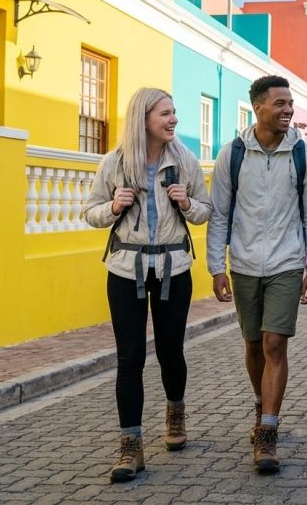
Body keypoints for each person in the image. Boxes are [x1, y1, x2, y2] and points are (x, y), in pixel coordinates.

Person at [81, 87, 212, 482]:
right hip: (126, 269)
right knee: (129, 359)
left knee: (171, 353)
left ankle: (175, 414)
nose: (173, 120)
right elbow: (90, 213)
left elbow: (205, 211)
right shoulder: (115, 163)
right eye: (165, 114)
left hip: (174, 268)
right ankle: (131, 448)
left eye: (174, 113)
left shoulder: (184, 161)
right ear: (144, 119)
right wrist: (114, 205)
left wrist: (187, 204)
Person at [206, 75, 307, 474]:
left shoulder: (303, 156)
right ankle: (261, 407)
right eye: (279, 103)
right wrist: (215, 267)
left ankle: (269, 432)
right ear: (257, 107)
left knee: (276, 343)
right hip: (242, 265)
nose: (288, 109)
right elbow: (220, 212)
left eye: (290, 103)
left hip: (286, 264)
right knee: (254, 344)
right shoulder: (233, 154)